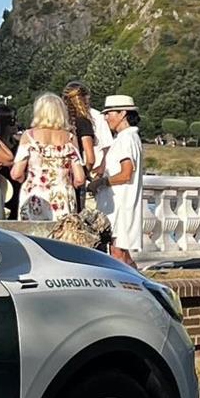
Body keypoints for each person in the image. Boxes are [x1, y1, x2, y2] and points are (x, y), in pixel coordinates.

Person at [11, 92, 84, 221]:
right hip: (62, 197)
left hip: (35, 194)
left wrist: (27, 179)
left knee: (32, 238)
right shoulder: (70, 138)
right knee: (61, 237)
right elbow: (80, 179)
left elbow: (16, 173)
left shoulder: (28, 136)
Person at [97, 94, 145, 266]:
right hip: (120, 204)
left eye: (109, 113)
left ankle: (134, 287)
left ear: (123, 113)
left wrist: (101, 183)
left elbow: (126, 173)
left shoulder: (126, 138)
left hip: (122, 204)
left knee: (118, 253)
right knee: (120, 252)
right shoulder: (127, 138)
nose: (106, 117)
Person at [63, 80, 114, 214]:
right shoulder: (90, 119)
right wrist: (88, 172)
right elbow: (94, 155)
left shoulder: (59, 120)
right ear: (86, 98)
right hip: (82, 174)